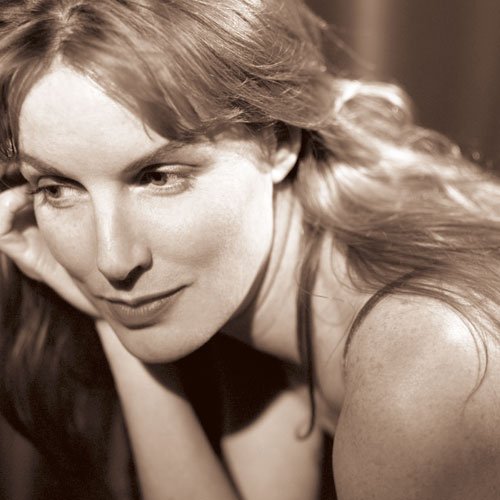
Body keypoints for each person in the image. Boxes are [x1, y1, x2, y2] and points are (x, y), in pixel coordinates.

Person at [1, 0, 500, 498]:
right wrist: (114, 321)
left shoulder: (426, 365)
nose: (111, 259)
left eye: (158, 177)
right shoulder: (254, 299)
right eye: (58, 188)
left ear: (277, 142)